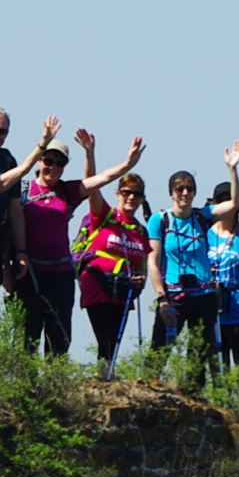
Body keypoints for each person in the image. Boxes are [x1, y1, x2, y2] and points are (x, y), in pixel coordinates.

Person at [14, 121, 145, 357]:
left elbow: (99, 180)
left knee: (59, 334)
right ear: (39, 160)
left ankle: (55, 385)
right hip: (30, 271)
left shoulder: (67, 191)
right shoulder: (23, 191)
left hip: (60, 273)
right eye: (48, 161)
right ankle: (27, 387)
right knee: (27, 331)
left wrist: (127, 164)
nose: (52, 167)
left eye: (59, 163)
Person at [78, 152, 156, 373]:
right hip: (97, 283)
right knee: (105, 337)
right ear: (118, 194)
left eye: (137, 194)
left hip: (123, 290)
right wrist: (90, 154)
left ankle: (105, 375)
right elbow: (91, 185)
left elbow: (143, 262)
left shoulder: (140, 231)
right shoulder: (104, 215)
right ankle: (103, 375)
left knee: (114, 338)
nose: (131, 198)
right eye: (126, 192)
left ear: (142, 199)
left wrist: (142, 282)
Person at [146, 169, 217, 379]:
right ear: (171, 192)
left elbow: (235, 203)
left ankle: (193, 398)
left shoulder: (202, 216)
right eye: (180, 188)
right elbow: (153, 261)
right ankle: (150, 392)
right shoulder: (159, 220)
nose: (185, 193)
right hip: (174, 296)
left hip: (204, 296)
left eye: (189, 188)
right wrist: (162, 299)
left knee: (197, 357)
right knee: (160, 351)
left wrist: (233, 170)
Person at [201, 145, 239, 375]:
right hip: (213, 310)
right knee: (218, 372)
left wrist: (233, 170)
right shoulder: (203, 233)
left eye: (229, 199)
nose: (225, 204)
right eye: (220, 200)